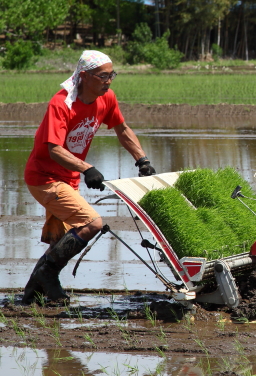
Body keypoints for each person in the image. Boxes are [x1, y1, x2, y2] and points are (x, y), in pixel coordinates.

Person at [22, 50, 156, 305]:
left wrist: (142, 159)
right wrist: (87, 168)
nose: (109, 81)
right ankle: (47, 276)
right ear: (84, 76)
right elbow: (54, 148)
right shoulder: (62, 104)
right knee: (91, 224)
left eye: (112, 75)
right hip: (45, 177)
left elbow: (122, 129)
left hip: (68, 177)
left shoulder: (107, 98)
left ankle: (33, 293)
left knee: (62, 239)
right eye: (103, 76)